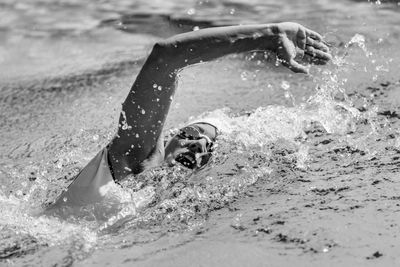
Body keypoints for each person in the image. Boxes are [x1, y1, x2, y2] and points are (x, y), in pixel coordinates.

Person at [49, 22, 331, 208]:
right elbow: (166, 56)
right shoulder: (124, 166)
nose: (197, 147)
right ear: (165, 143)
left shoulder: (154, 206)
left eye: (206, 148)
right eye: (191, 134)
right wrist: (268, 35)